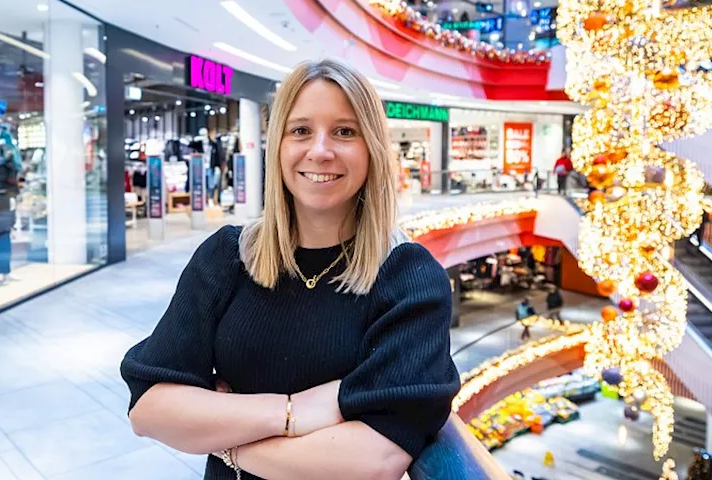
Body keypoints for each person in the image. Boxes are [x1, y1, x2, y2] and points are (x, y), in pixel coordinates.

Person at [121, 59, 459, 479]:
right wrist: (291, 412)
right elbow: (149, 409)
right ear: (277, 146)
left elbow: (374, 460)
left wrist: (225, 438)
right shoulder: (228, 256)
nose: (320, 150)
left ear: (372, 147)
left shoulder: (410, 279)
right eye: (300, 130)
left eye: (344, 131)